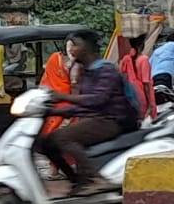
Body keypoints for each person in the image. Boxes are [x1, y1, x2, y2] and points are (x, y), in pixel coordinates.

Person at [37, 30, 140, 195]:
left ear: (88, 48)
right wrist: (51, 111)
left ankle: (93, 179)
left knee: (62, 138)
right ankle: (76, 181)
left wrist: (62, 97)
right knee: (46, 143)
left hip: (112, 121)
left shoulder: (106, 70)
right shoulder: (87, 71)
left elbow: (96, 100)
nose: (71, 50)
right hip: (96, 118)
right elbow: (85, 105)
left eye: (75, 45)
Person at [120, 35, 155, 120]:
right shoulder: (144, 60)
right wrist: (150, 105)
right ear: (141, 45)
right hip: (142, 97)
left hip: (130, 96)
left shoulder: (125, 59)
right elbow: (146, 83)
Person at [149, 30, 174, 97]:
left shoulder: (157, 50)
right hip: (167, 75)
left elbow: (149, 64)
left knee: (160, 97)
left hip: (154, 77)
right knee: (167, 98)